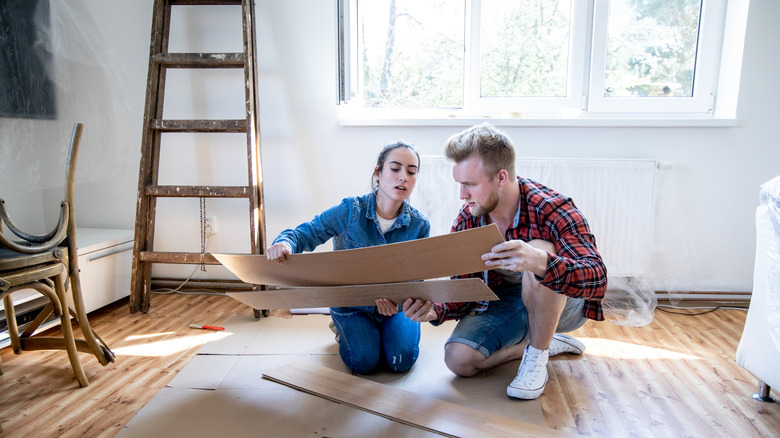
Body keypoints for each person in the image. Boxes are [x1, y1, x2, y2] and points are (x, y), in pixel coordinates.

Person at [402, 123, 607, 399]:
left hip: (562, 303)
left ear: (501, 178)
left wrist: (540, 261)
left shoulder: (550, 208)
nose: (462, 195)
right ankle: (541, 344)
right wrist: (435, 311)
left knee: (541, 247)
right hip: (508, 302)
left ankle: (537, 356)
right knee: (458, 359)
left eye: (470, 185)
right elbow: (465, 289)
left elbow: (597, 277)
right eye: (460, 184)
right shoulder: (470, 218)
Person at [266, 141, 431, 375]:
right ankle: (345, 328)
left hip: (397, 308)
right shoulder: (350, 210)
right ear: (378, 173)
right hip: (353, 305)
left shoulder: (420, 225)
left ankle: (385, 333)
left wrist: (399, 304)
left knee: (400, 361)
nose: (403, 177)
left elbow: (418, 281)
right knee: (364, 362)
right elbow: (306, 232)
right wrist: (284, 243)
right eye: (395, 169)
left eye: (411, 172)